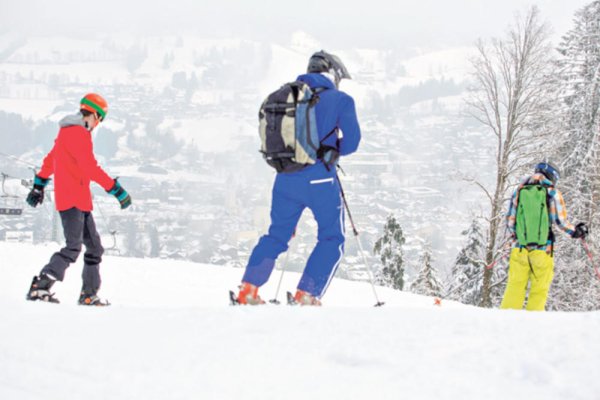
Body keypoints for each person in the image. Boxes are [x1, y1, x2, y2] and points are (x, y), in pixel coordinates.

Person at [236, 50, 361, 305]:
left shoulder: (287, 96)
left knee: (277, 235)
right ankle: (307, 294)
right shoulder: (341, 100)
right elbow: (352, 142)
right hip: (320, 180)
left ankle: (248, 289)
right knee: (331, 237)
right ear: (332, 74)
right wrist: (331, 148)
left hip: (285, 179)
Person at [25, 93, 132, 306]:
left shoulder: (67, 134)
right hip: (72, 201)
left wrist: (39, 185)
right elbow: (90, 167)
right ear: (92, 114)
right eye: (99, 119)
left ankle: (88, 294)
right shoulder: (78, 134)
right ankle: (41, 286)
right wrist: (116, 189)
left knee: (94, 248)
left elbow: (49, 161)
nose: (97, 124)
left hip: (80, 202)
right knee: (73, 247)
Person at [500, 162, 587, 311]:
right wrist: (576, 232)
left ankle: (505, 323)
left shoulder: (519, 191)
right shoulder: (552, 192)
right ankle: (533, 325)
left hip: (519, 248)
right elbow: (560, 222)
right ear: (553, 177)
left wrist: (518, 237)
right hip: (543, 249)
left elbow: (510, 222)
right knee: (539, 289)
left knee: (515, 286)